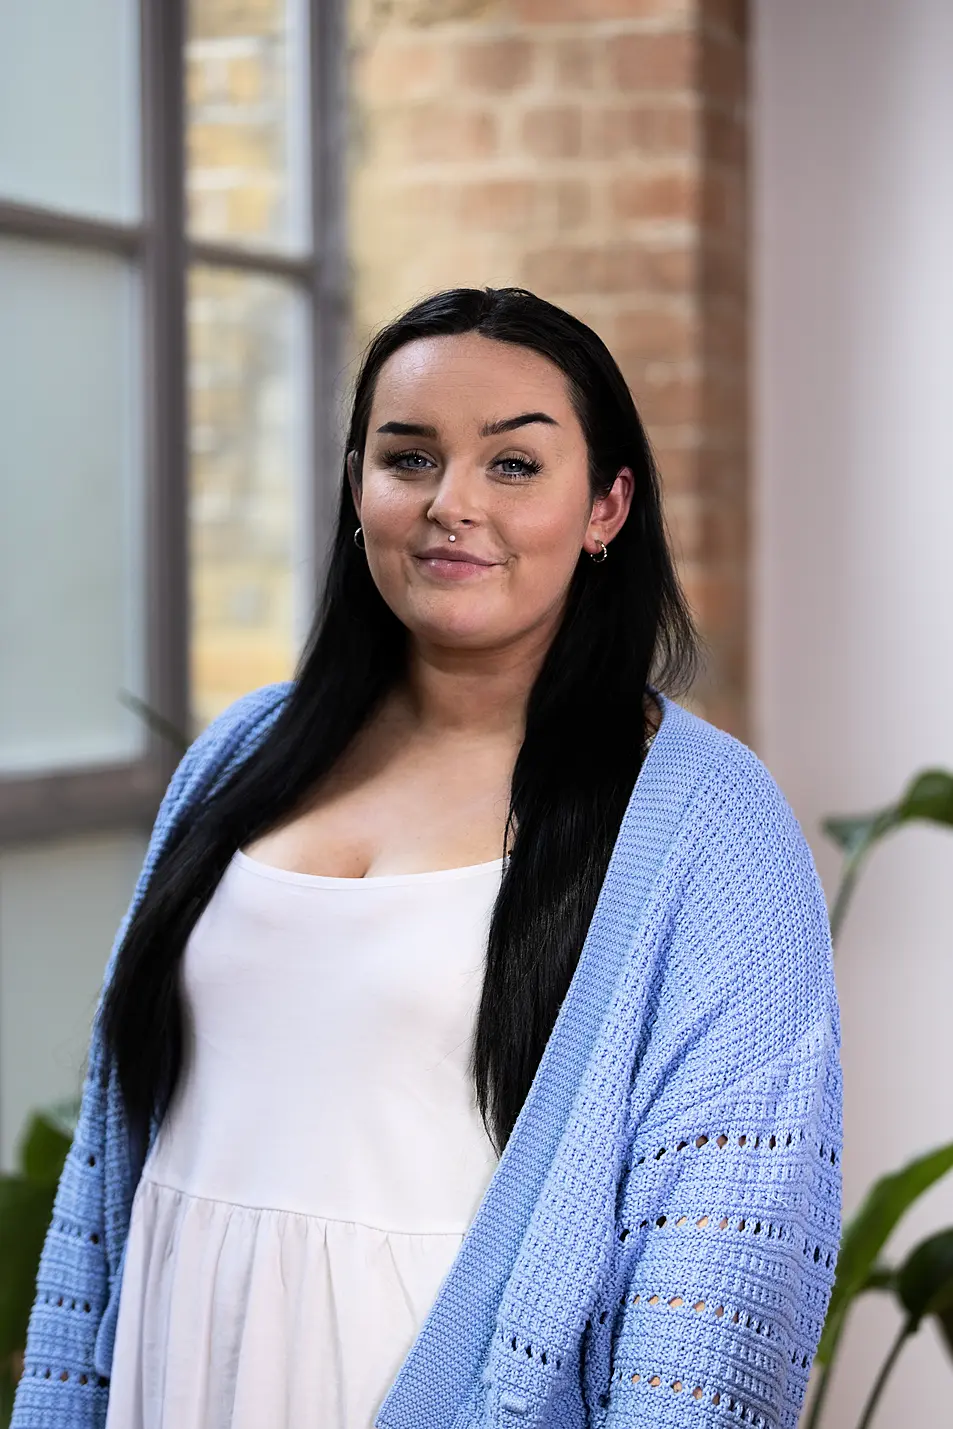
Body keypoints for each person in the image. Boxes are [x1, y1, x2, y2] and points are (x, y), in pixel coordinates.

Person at [12, 286, 842, 1429]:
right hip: (178, 1368)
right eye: (408, 458)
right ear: (359, 490)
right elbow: (114, 1162)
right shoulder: (239, 756)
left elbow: (717, 1256)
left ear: (605, 507)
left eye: (513, 466)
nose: (452, 504)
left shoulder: (707, 825)